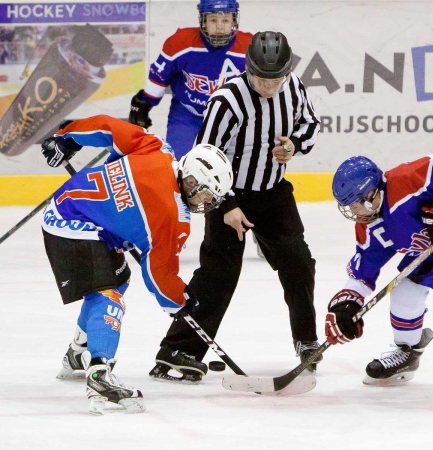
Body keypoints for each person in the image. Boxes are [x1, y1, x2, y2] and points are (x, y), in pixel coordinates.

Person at [148, 31, 322, 384]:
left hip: (272, 191)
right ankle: (177, 351)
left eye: (276, 77)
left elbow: (310, 124)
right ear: (248, 68)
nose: (269, 85)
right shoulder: (226, 100)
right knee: (219, 273)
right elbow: (202, 157)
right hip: (226, 193)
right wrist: (226, 204)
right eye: (261, 77)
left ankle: (306, 339)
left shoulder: (293, 87)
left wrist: (295, 145)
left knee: (298, 262)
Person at [40, 115, 233, 413]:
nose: (206, 204)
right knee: (108, 295)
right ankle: (99, 373)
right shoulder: (175, 219)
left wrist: (68, 136)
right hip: (73, 223)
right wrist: (179, 299)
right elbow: (159, 275)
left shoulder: (158, 149)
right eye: (207, 194)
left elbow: (107, 127)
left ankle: (79, 352)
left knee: (117, 280)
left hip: (74, 208)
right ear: (192, 180)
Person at [324, 152, 433, 385]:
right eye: (349, 207)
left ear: (371, 194)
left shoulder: (404, 181)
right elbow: (362, 273)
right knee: (404, 294)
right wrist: (346, 304)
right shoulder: (371, 227)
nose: (354, 213)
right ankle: (408, 351)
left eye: (354, 204)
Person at [128, 0, 252, 160]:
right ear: (203, 21)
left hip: (229, 118)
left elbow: (261, 87)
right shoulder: (181, 43)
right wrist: (144, 105)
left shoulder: (249, 48)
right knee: (176, 164)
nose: (220, 26)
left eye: (225, 20)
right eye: (213, 20)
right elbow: (159, 77)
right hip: (187, 114)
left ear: (234, 21)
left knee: (233, 168)